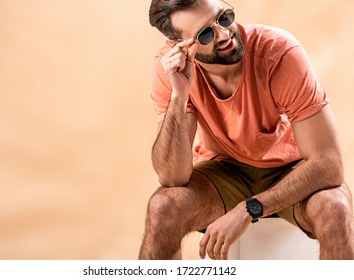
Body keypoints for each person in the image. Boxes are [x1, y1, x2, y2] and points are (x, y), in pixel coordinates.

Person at [138, 0, 354, 260]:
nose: (225, 33)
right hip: (225, 170)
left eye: (224, 17)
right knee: (162, 207)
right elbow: (173, 177)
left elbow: (328, 164)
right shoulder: (170, 70)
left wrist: (249, 209)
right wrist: (179, 95)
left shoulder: (279, 52)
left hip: (291, 169)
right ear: (180, 47)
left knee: (336, 208)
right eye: (206, 34)